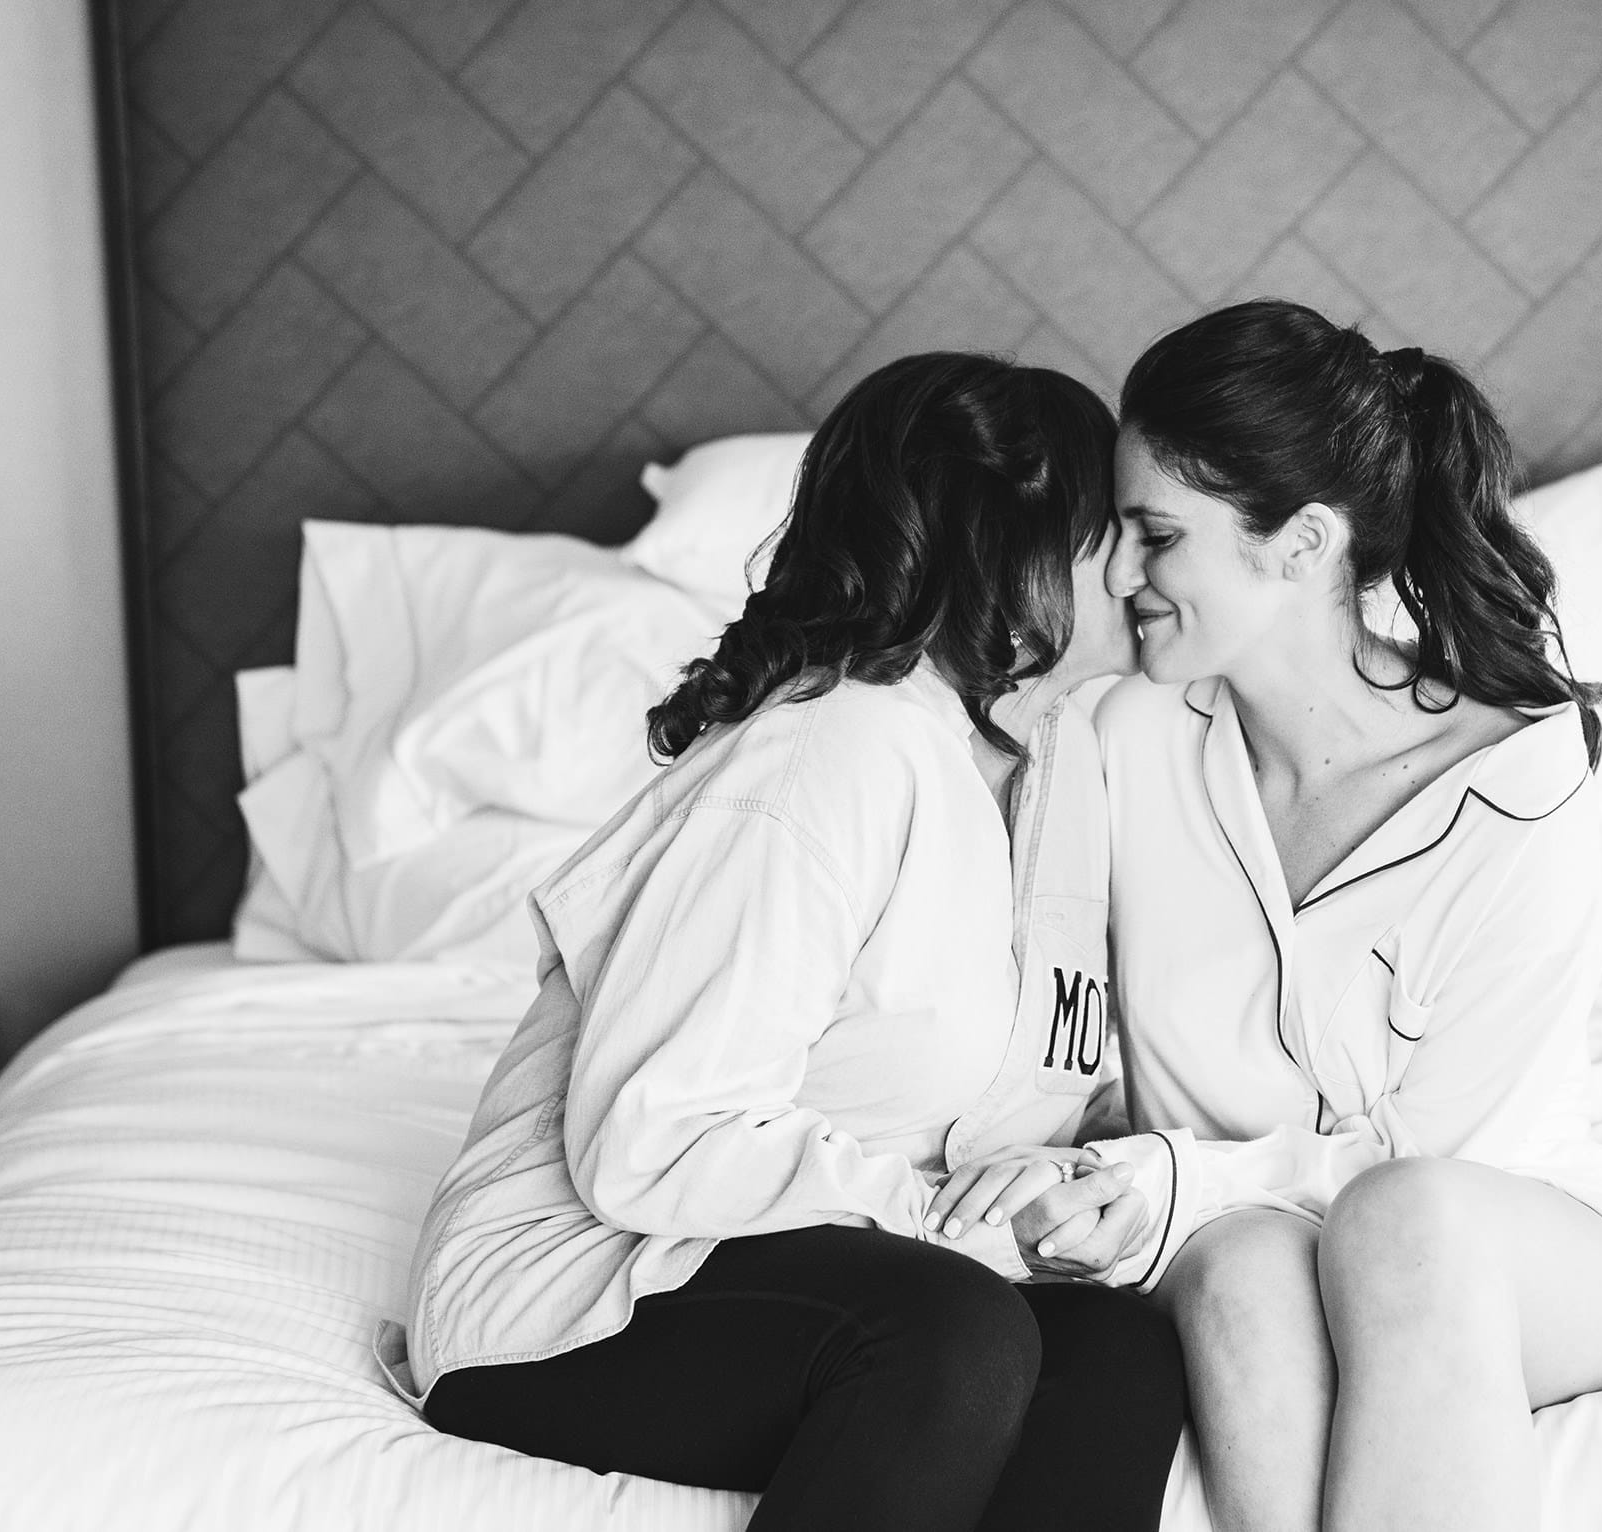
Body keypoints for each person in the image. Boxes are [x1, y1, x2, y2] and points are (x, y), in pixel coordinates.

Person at [932, 300, 1602, 1532]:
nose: (1121, 577)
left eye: (1154, 535)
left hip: (1508, 1245)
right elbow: (1054, 1017)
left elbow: (1455, 1151)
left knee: (1399, 1212)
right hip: (1223, 1230)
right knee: (1242, 1262)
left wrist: (1168, 1174)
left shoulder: (1515, 774)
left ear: (1300, 542)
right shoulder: (1115, 733)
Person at [373, 353, 1185, 1532]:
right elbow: (653, 1138)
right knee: (953, 1330)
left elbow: (1044, 1085)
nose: (1137, 560)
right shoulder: (834, 749)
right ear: (1007, 546)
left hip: (844, 1263)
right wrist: (949, 1220)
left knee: (1115, 1347)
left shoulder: (1065, 769)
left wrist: (1087, 1191)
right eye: (1108, 527)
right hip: (578, 1282)